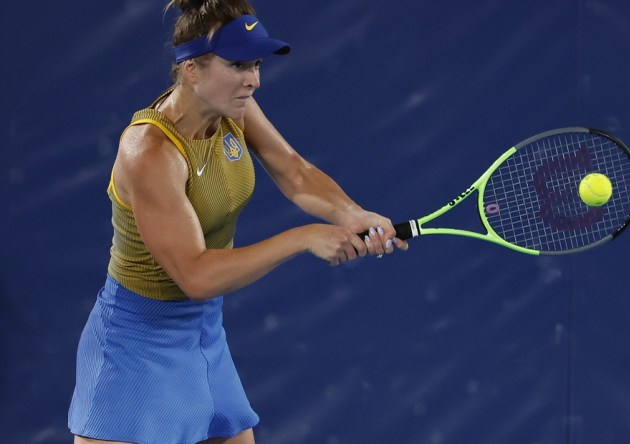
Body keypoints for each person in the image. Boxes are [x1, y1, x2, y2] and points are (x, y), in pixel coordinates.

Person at [67, 1, 407, 442]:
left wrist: (352, 214)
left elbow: (294, 170)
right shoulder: (149, 152)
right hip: (135, 345)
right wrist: (305, 237)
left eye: (256, 64)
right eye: (237, 65)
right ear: (191, 69)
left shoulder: (233, 108)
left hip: (203, 331)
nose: (254, 79)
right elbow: (195, 275)